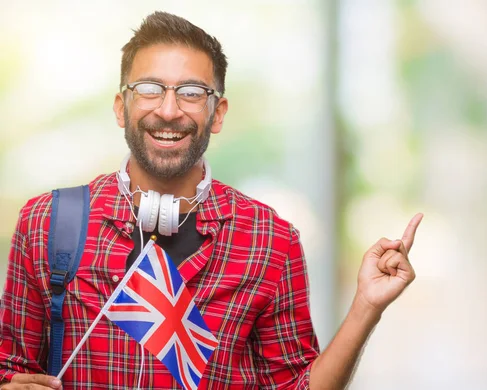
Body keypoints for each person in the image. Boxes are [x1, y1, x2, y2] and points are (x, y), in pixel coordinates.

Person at [0, 11, 423, 390]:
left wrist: (366, 306)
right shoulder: (47, 223)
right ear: (120, 107)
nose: (168, 110)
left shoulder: (271, 242)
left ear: (217, 114)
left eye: (191, 92)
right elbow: (9, 366)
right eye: (149, 89)